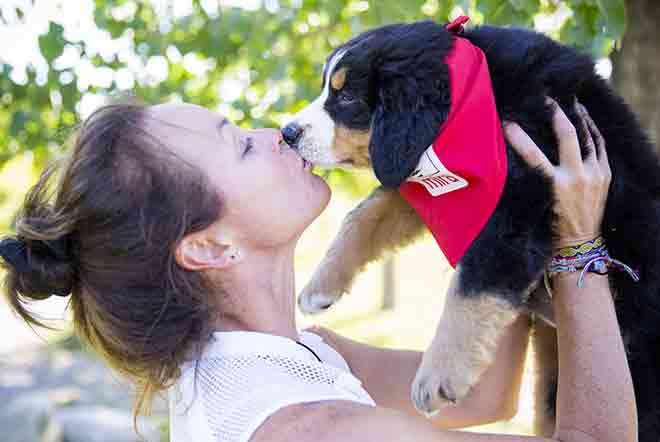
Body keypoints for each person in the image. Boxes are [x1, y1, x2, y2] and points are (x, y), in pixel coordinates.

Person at [0, 98, 636, 442]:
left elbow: (481, 394)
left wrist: (493, 202)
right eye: (240, 144)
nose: (273, 133)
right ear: (209, 247)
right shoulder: (309, 429)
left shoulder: (294, 355)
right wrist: (577, 244)